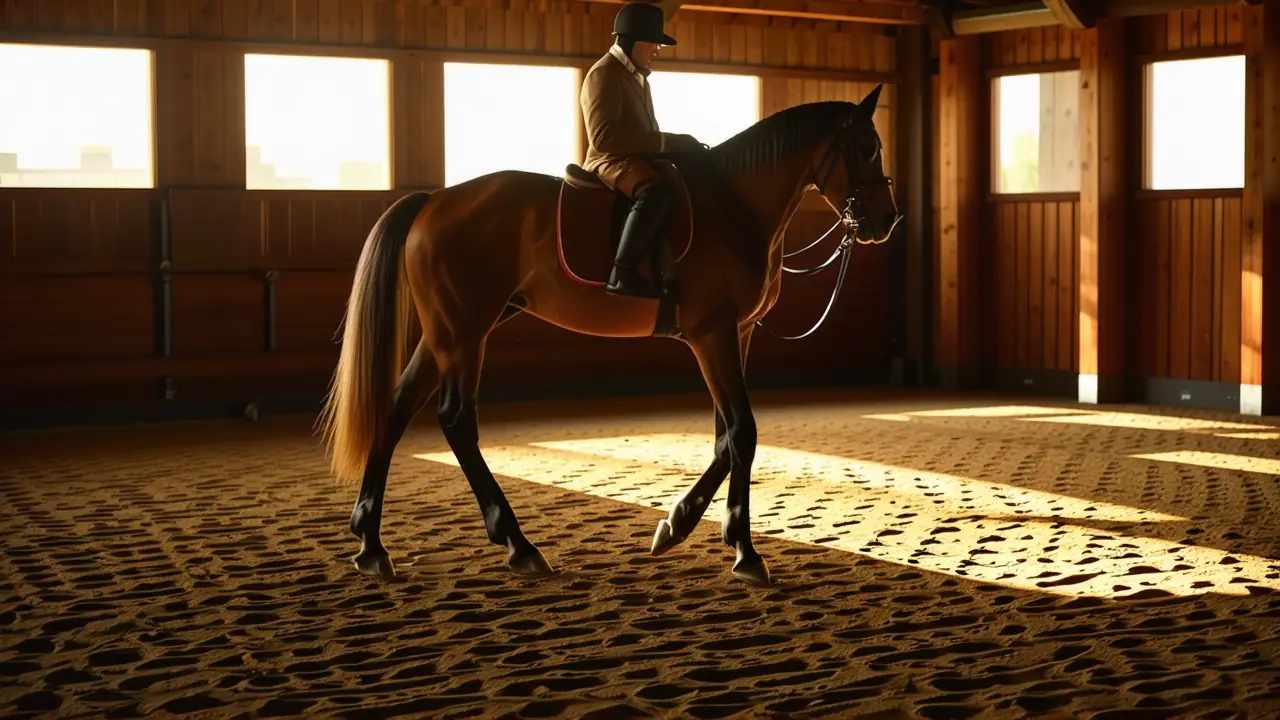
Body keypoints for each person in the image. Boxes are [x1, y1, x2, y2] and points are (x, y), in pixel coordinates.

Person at [580, 0, 706, 299]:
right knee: (656, 191)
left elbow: (645, 133)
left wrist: (680, 150)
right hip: (608, 161)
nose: (657, 50)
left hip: (632, 158)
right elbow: (604, 137)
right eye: (655, 43)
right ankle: (621, 272)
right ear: (635, 40)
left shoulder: (637, 78)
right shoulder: (604, 73)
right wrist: (668, 142)